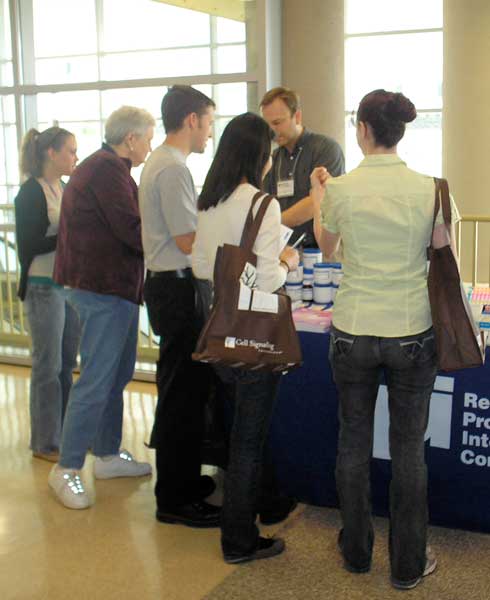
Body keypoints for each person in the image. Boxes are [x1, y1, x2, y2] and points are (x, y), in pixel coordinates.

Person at [311, 89, 460, 590]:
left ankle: (356, 553)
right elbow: (442, 250)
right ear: (399, 131)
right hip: (411, 329)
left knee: (352, 442)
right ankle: (408, 565)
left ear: (363, 129)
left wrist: (318, 196)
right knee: (409, 450)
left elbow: (327, 248)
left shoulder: (342, 189)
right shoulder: (431, 189)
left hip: (353, 329)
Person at [192, 112, 300, 563]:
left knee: (240, 431)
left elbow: (200, 266)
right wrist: (288, 260)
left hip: (220, 333)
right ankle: (238, 540)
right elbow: (268, 279)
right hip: (256, 338)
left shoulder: (209, 201)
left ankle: (268, 504)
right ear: (259, 155)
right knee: (248, 443)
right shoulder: (262, 204)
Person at [48, 106, 156, 510]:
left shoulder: (111, 169)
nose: (150, 147)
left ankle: (107, 454)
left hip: (116, 289)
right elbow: (132, 229)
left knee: (115, 375)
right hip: (102, 289)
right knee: (95, 380)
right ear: (130, 139)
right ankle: (67, 467)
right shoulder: (106, 170)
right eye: (148, 139)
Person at [139, 85, 220, 528]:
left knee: (183, 390)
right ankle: (174, 498)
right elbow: (189, 241)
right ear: (191, 120)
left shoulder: (164, 163)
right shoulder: (171, 168)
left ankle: (184, 481)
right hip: (175, 288)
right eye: (208, 122)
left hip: (169, 285)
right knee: (182, 396)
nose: (209, 132)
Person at [14, 127, 80, 463]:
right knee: (47, 366)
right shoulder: (30, 192)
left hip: (67, 287)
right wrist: (67, 235)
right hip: (42, 287)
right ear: (51, 153)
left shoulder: (64, 188)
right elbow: (29, 245)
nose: (75, 157)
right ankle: (44, 442)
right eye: (70, 150)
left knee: (67, 364)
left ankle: (64, 433)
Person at [260, 86, 345, 246]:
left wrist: (274, 223)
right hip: (283, 251)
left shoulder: (326, 149)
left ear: (297, 117)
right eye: (268, 125)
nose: (272, 131)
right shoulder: (273, 159)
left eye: (277, 122)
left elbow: (319, 201)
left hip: (320, 251)